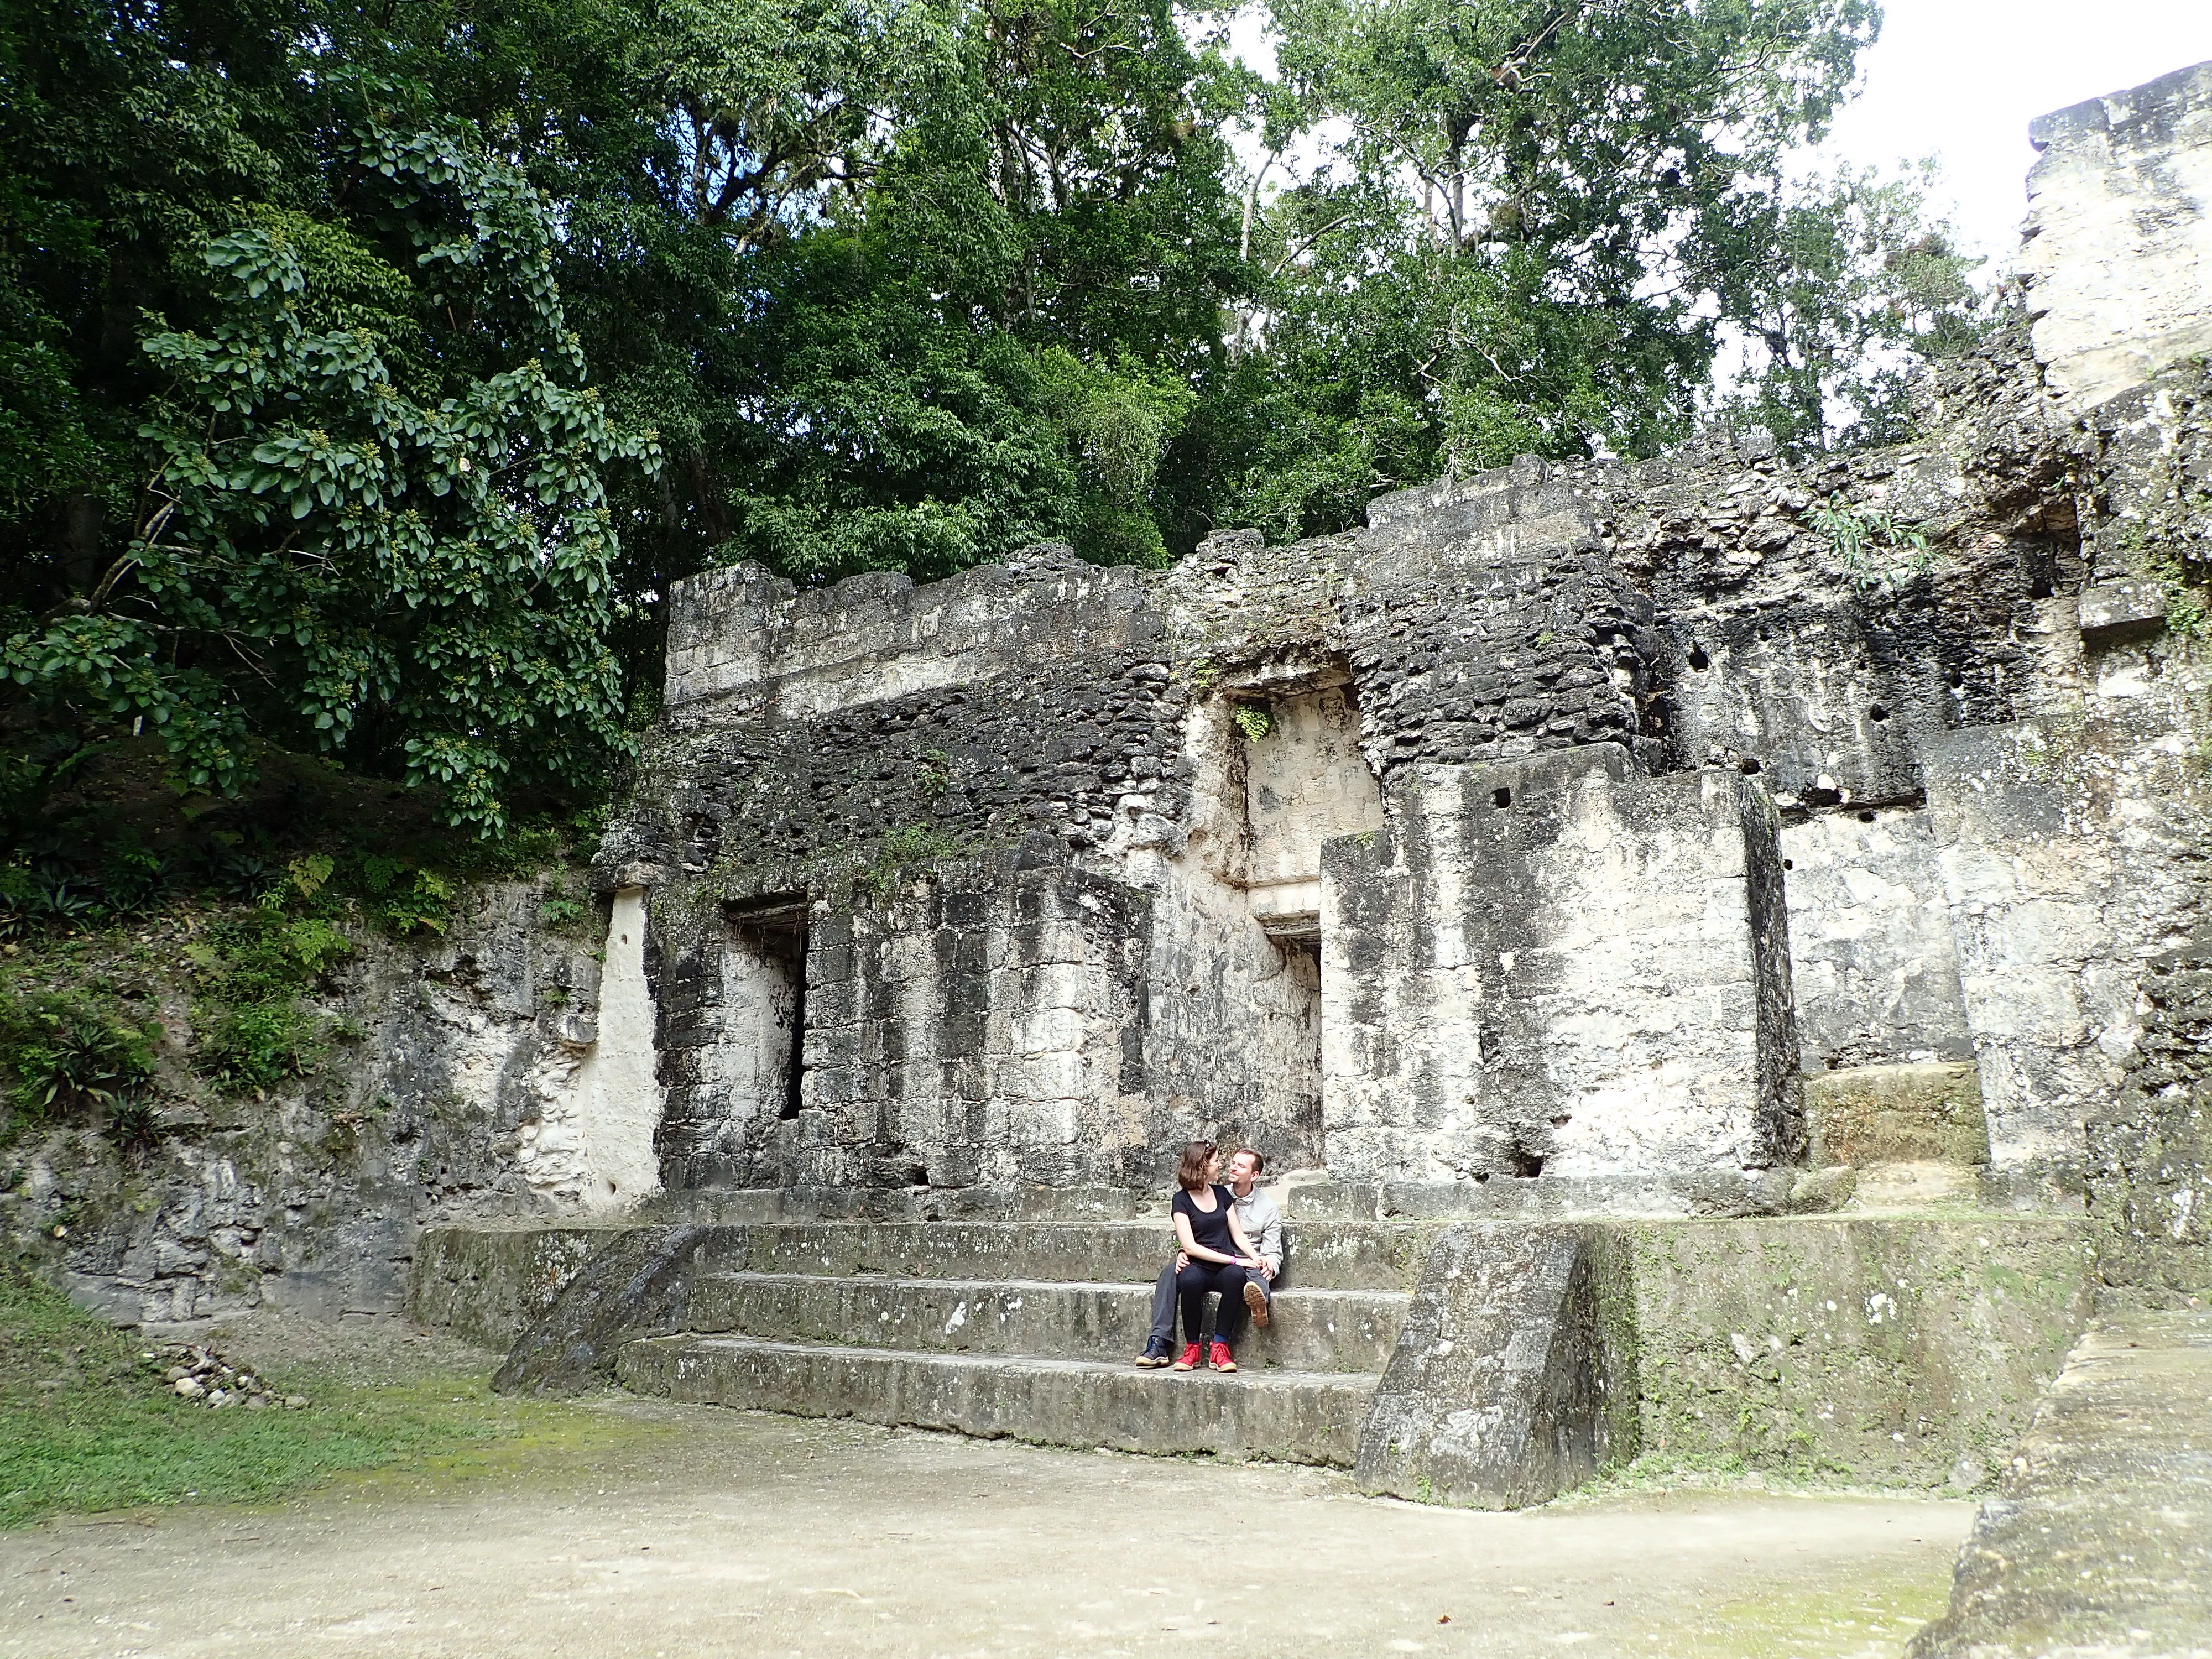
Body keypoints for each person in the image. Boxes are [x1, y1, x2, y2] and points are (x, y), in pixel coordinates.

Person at [1137, 1146, 1282, 1368]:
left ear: (1254, 1176)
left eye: (1240, 1166)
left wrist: (1259, 1259)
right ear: (1203, 1167)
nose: (1227, 1166)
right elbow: (1192, 1241)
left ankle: (1250, 1310)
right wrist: (1184, 1251)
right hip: (1209, 1259)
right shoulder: (1195, 1197)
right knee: (1176, 1274)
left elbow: (1243, 1238)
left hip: (1234, 1262)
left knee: (1245, 1274)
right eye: (1224, 1162)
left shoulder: (1258, 1205)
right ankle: (1165, 1344)